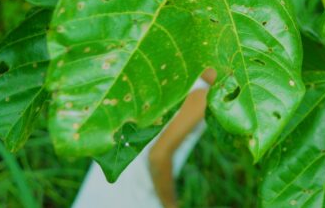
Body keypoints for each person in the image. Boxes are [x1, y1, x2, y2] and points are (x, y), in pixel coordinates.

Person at [71, 69, 216, 208]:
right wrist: (170, 205)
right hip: (136, 194)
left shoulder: (172, 68)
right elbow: (158, 157)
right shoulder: (203, 94)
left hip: (107, 183)